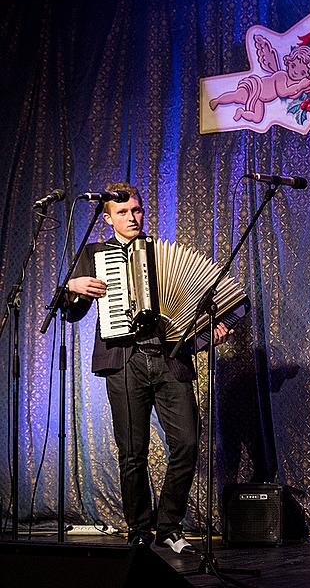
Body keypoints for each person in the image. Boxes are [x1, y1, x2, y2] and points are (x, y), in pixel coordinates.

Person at [66, 182, 233, 553]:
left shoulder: (160, 253)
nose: (132, 217)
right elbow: (72, 312)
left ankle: (169, 525)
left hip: (168, 360)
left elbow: (191, 305)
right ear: (107, 219)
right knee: (132, 452)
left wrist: (211, 332)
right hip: (122, 361)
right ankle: (139, 527)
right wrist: (72, 286)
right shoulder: (94, 254)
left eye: (137, 210)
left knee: (187, 444)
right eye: (123, 213)